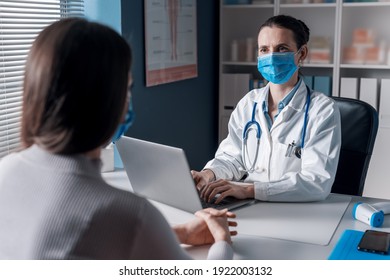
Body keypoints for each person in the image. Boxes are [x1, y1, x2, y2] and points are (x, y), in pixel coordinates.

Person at [0, 18, 237, 260]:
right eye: (127, 89)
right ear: (105, 101)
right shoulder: (128, 214)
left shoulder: (5, 170)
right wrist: (222, 243)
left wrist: (178, 234)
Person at [192, 15, 341, 203]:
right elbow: (232, 158)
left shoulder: (322, 110)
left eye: (282, 49)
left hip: (297, 210)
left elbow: (316, 182)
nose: (271, 56)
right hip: (249, 205)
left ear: (302, 53)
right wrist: (208, 174)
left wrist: (251, 190)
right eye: (264, 49)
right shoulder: (249, 103)